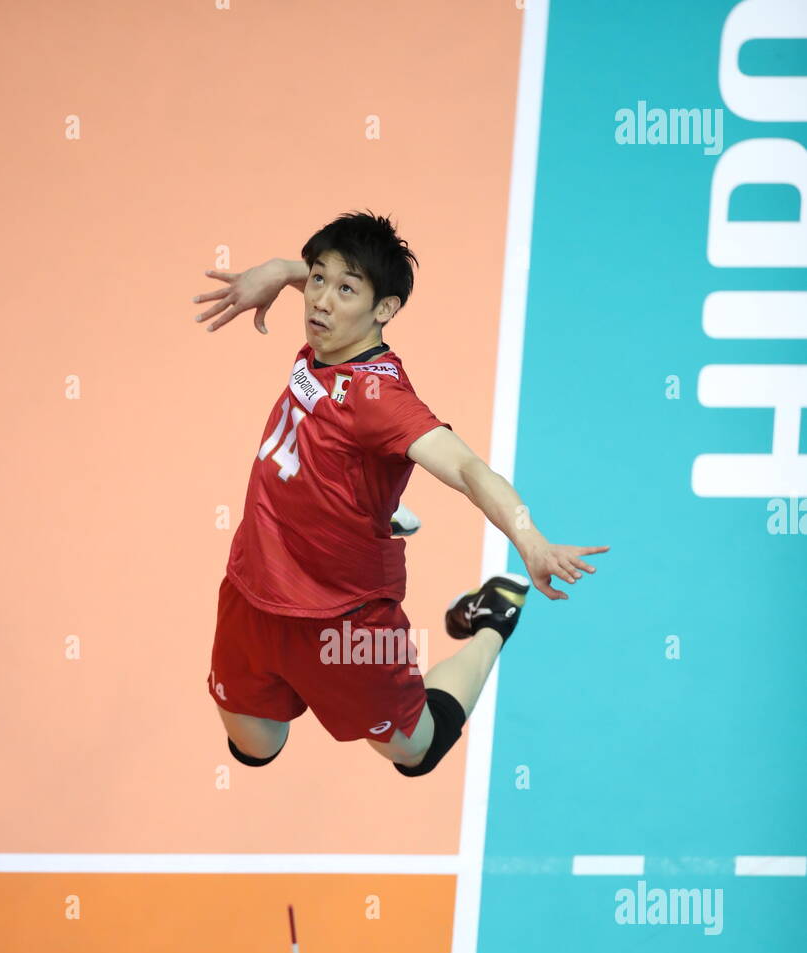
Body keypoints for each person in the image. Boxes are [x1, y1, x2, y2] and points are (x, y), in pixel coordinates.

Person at [193, 210, 608, 776]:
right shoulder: (325, 336)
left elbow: (465, 468)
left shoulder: (378, 400)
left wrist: (528, 537)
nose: (320, 301)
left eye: (345, 289)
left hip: (345, 622)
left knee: (414, 751)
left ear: (384, 310)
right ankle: (380, 511)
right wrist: (281, 270)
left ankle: (492, 620)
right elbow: (323, 283)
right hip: (253, 589)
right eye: (317, 279)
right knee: (255, 748)